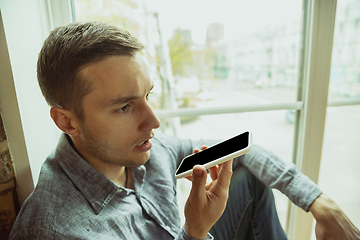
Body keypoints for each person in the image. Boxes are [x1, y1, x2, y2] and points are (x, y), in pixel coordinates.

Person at [9, 22, 359, 240]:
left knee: (246, 177)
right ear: (66, 121)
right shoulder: (57, 230)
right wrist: (195, 231)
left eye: (148, 95)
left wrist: (317, 201)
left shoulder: (148, 149)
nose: (154, 121)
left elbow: (241, 148)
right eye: (125, 107)